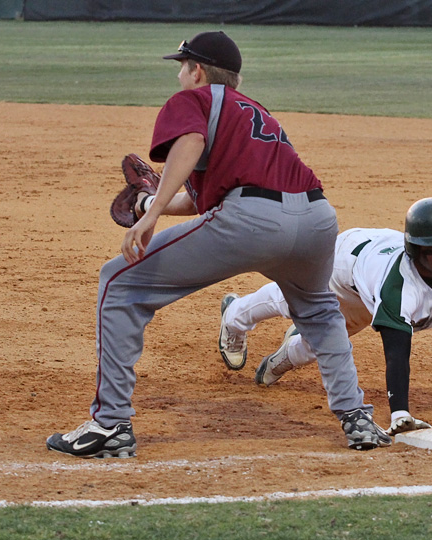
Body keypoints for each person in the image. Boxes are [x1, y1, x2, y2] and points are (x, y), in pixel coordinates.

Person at [46, 31, 390, 458]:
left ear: (199, 71)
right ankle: (356, 417)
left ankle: (110, 423)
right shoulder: (254, 113)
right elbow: (202, 198)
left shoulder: (195, 100)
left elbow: (190, 144)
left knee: (119, 282)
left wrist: (149, 218)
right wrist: (150, 202)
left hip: (251, 222)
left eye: (182, 66)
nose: (179, 76)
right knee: (320, 311)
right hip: (317, 221)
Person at [218, 198, 432, 436]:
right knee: (290, 300)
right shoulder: (399, 286)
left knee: (327, 339)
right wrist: (400, 413)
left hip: (370, 290)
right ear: (415, 248)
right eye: (431, 248)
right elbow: (397, 352)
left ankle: (282, 359)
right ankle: (234, 317)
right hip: (347, 265)